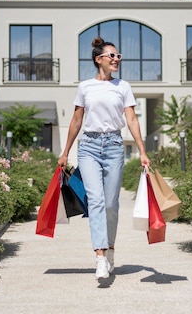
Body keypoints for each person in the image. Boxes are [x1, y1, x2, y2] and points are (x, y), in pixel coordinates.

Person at [57, 36, 150, 280]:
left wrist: (142, 151)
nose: (116, 59)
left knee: (111, 205)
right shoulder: (85, 86)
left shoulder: (123, 86)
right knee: (96, 200)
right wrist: (65, 152)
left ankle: (110, 249)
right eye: (112, 55)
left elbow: (131, 119)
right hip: (88, 146)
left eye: (118, 56)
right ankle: (99, 256)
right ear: (99, 60)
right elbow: (77, 120)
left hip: (114, 146)